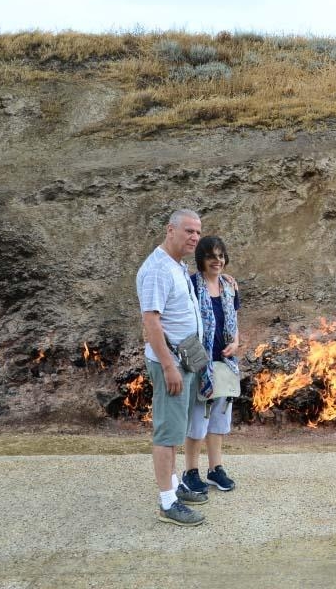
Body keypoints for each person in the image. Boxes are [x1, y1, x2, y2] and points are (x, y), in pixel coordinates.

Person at [136, 209, 208, 527]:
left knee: (175, 428)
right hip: (172, 364)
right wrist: (168, 367)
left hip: (185, 360)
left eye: (198, 232)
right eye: (189, 231)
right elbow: (150, 321)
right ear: (170, 230)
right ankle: (167, 502)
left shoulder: (177, 265)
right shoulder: (156, 270)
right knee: (167, 433)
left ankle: (175, 485)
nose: (194, 237)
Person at [180, 236, 242, 496]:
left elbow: (234, 320)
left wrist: (236, 343)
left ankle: (215, 468)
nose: (217, 261)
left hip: (224, 361)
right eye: (211, 256)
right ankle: (190, 472)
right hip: (199, 363)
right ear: (201, 260)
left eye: (221, 255)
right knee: (197, 418)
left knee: (218, 417)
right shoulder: (192, 285)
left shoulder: (229, 287)